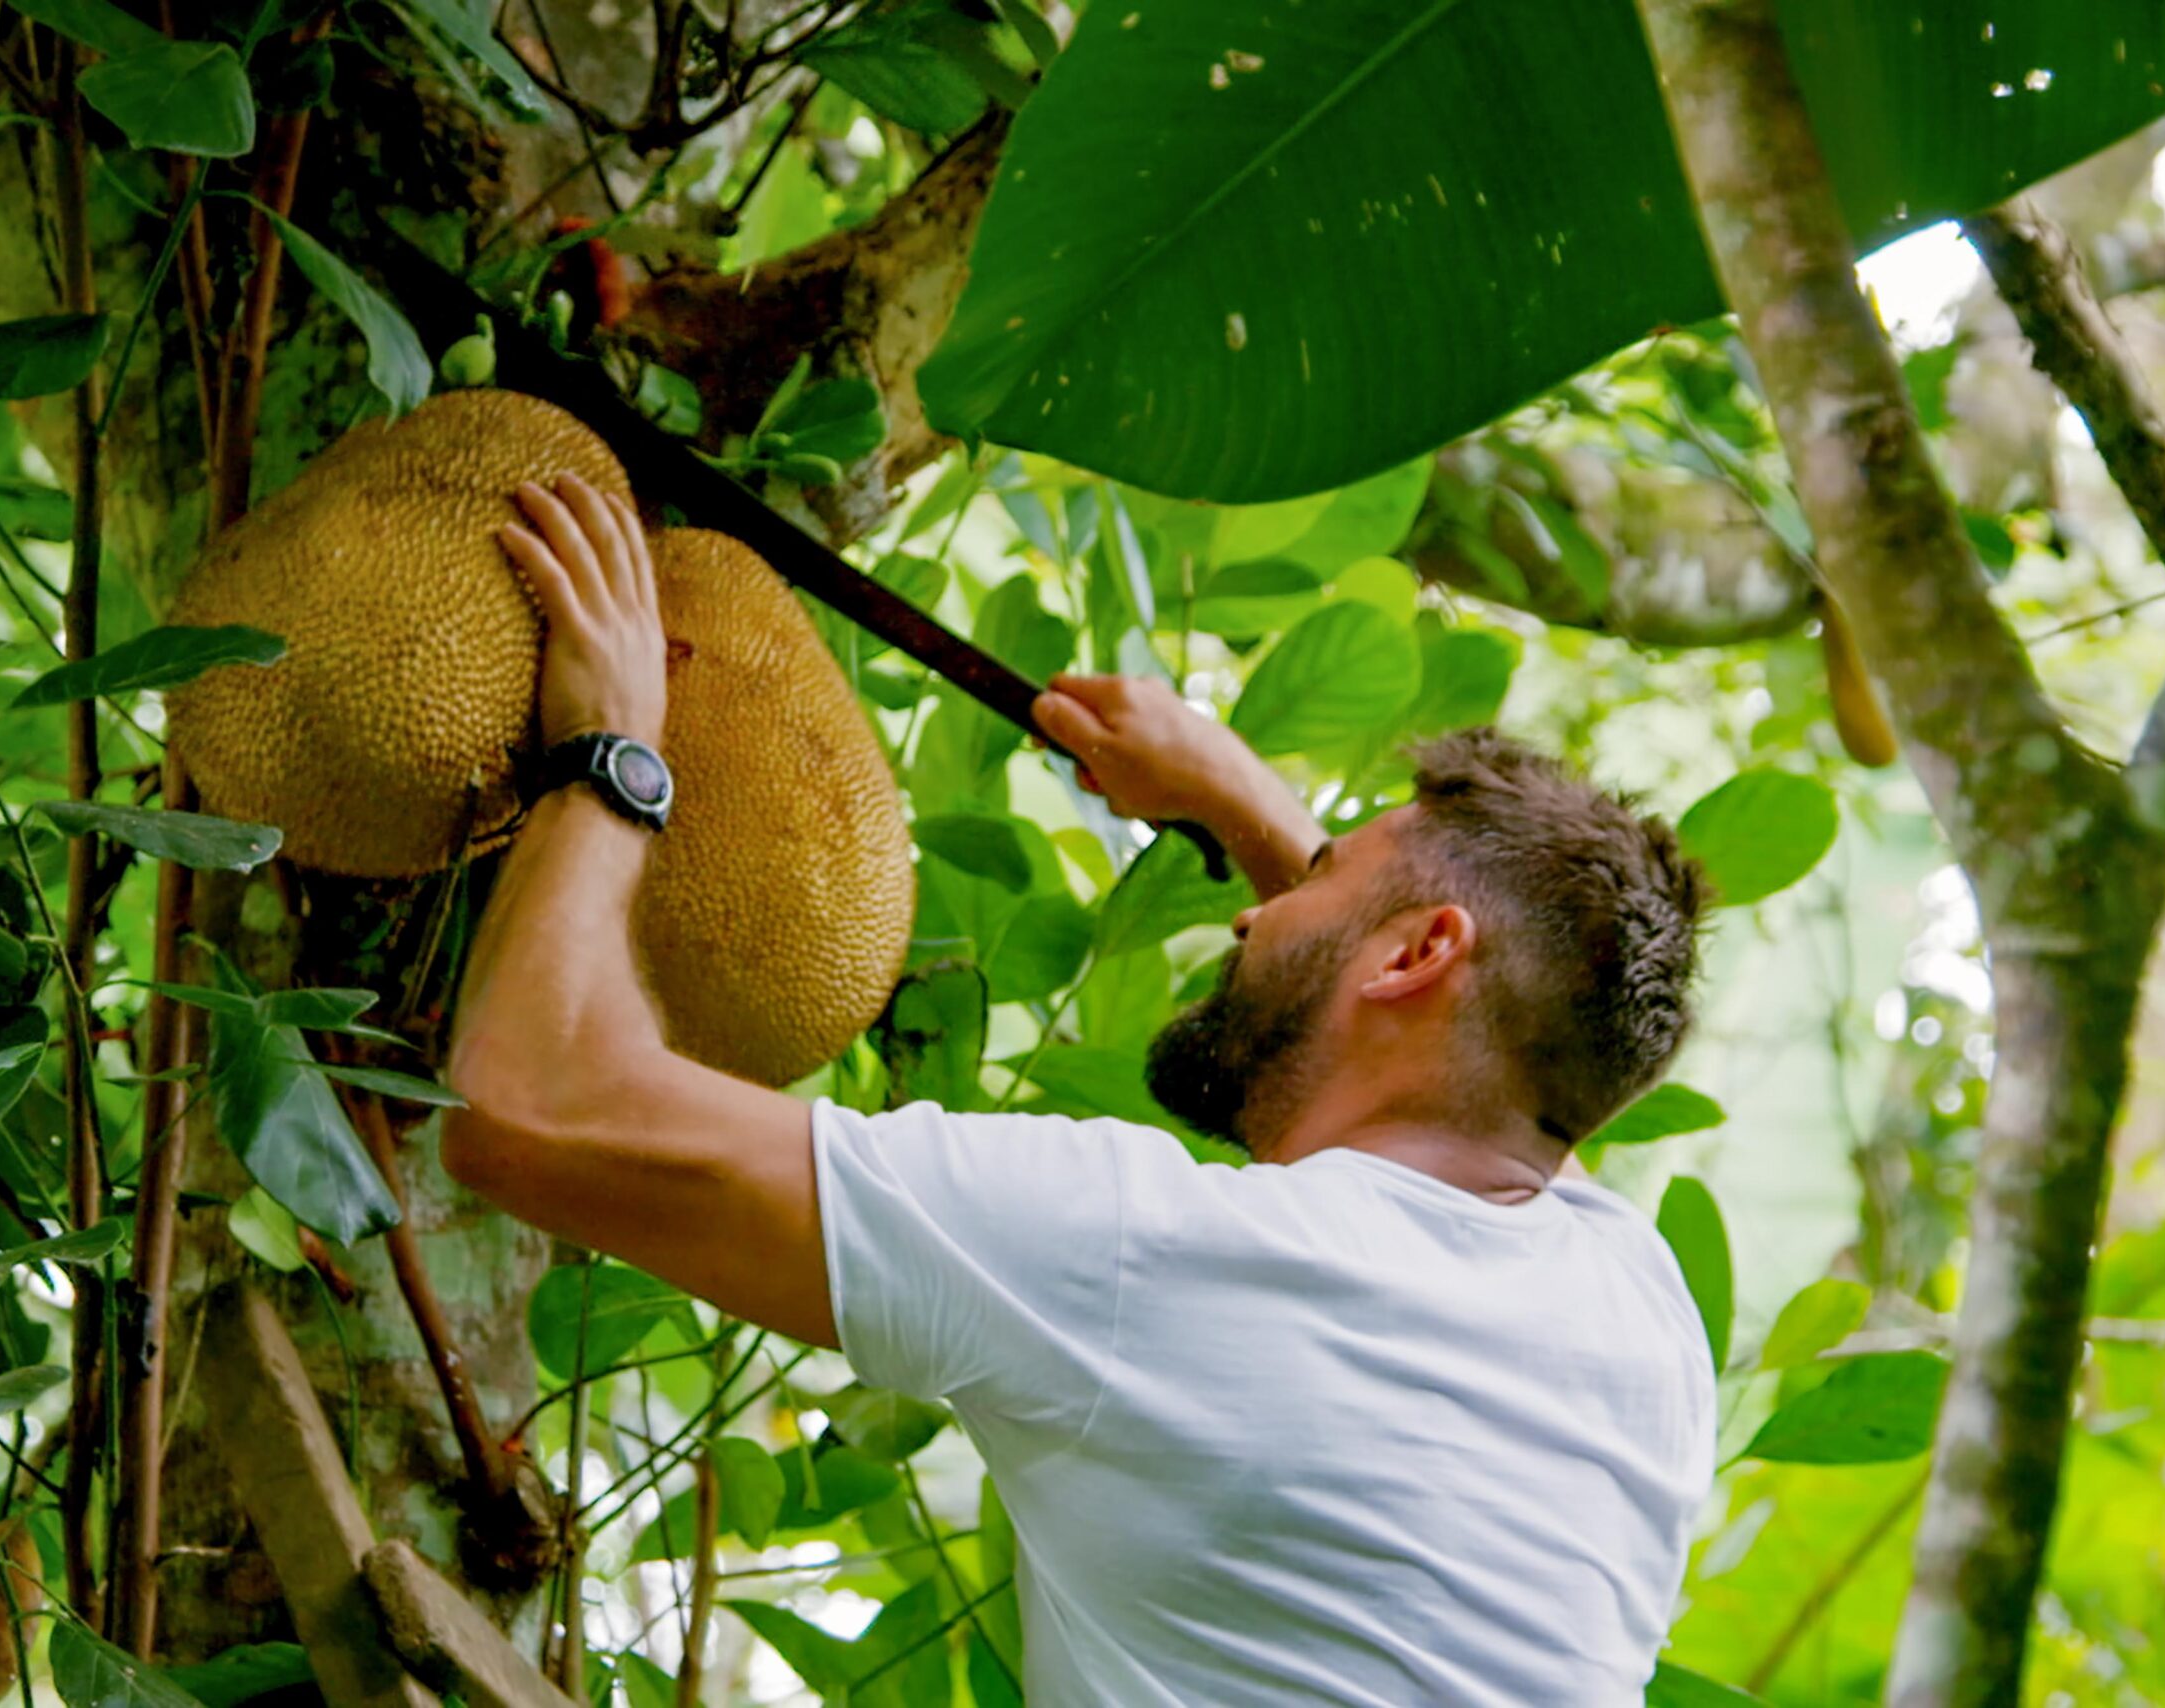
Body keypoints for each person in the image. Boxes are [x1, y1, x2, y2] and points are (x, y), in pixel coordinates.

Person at [443, 474, 1718, 1707]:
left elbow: (531, 1103)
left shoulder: (1151, 1256)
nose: (1248, 921)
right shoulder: (1632, 1317)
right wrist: (1242, 801)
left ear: (1418, 953)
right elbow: (1508, 1059)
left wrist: (612, 751)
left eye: (1316, 879)